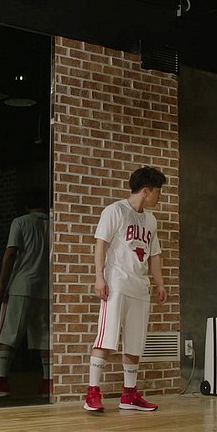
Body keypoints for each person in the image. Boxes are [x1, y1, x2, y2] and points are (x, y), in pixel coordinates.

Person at [84, 166, 168, 413]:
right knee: (106, 338)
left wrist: (160, 284)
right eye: (158, 191)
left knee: (134, 343)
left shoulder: (150, 220)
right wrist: (99, 277)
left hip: (140, 287)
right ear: (146, 191)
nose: (159, 197)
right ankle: (92, 393)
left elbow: (154, 255)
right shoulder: (115, 211)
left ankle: (129, 394)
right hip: (117, 284)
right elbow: (101, 244)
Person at [0, 189, 51, 398]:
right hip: (46, 287)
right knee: (45, 336)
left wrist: (1, 284)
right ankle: (48, 383)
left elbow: (10, 253)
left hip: (21, 285)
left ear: (26, 205)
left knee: (8, 333)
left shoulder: (20, 222)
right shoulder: (54, 224)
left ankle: (2, 381)